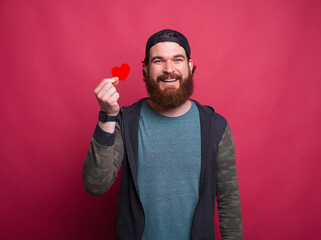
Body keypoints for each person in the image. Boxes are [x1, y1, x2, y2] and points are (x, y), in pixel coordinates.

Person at [83, 29, 243, 240]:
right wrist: (107, 116)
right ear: (146, 69)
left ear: (189, 65)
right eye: (159, 60)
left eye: (177, 59)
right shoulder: (125, 121)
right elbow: (95, 185)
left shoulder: (215, 126)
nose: (169, 69)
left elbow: (229, 202)